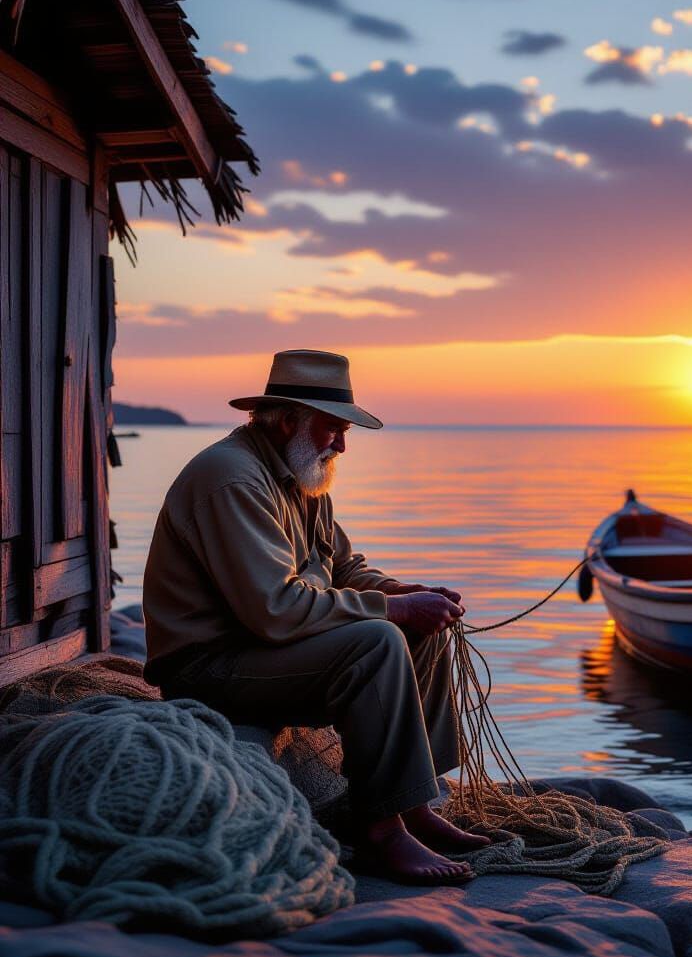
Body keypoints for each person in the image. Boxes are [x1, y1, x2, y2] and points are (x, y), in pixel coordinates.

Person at [142, 349, 489, 885]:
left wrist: (407, 595)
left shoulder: (304, 473)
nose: (344, 444)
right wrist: (392, 609)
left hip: (261, 649)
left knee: (416, 629)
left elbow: (344, 568)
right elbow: (275, 613)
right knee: (377, 640)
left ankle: (416, 807)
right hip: (208, 666)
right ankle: (381, 832)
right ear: (288, 420)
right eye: (334, 428)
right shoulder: (232, 478)